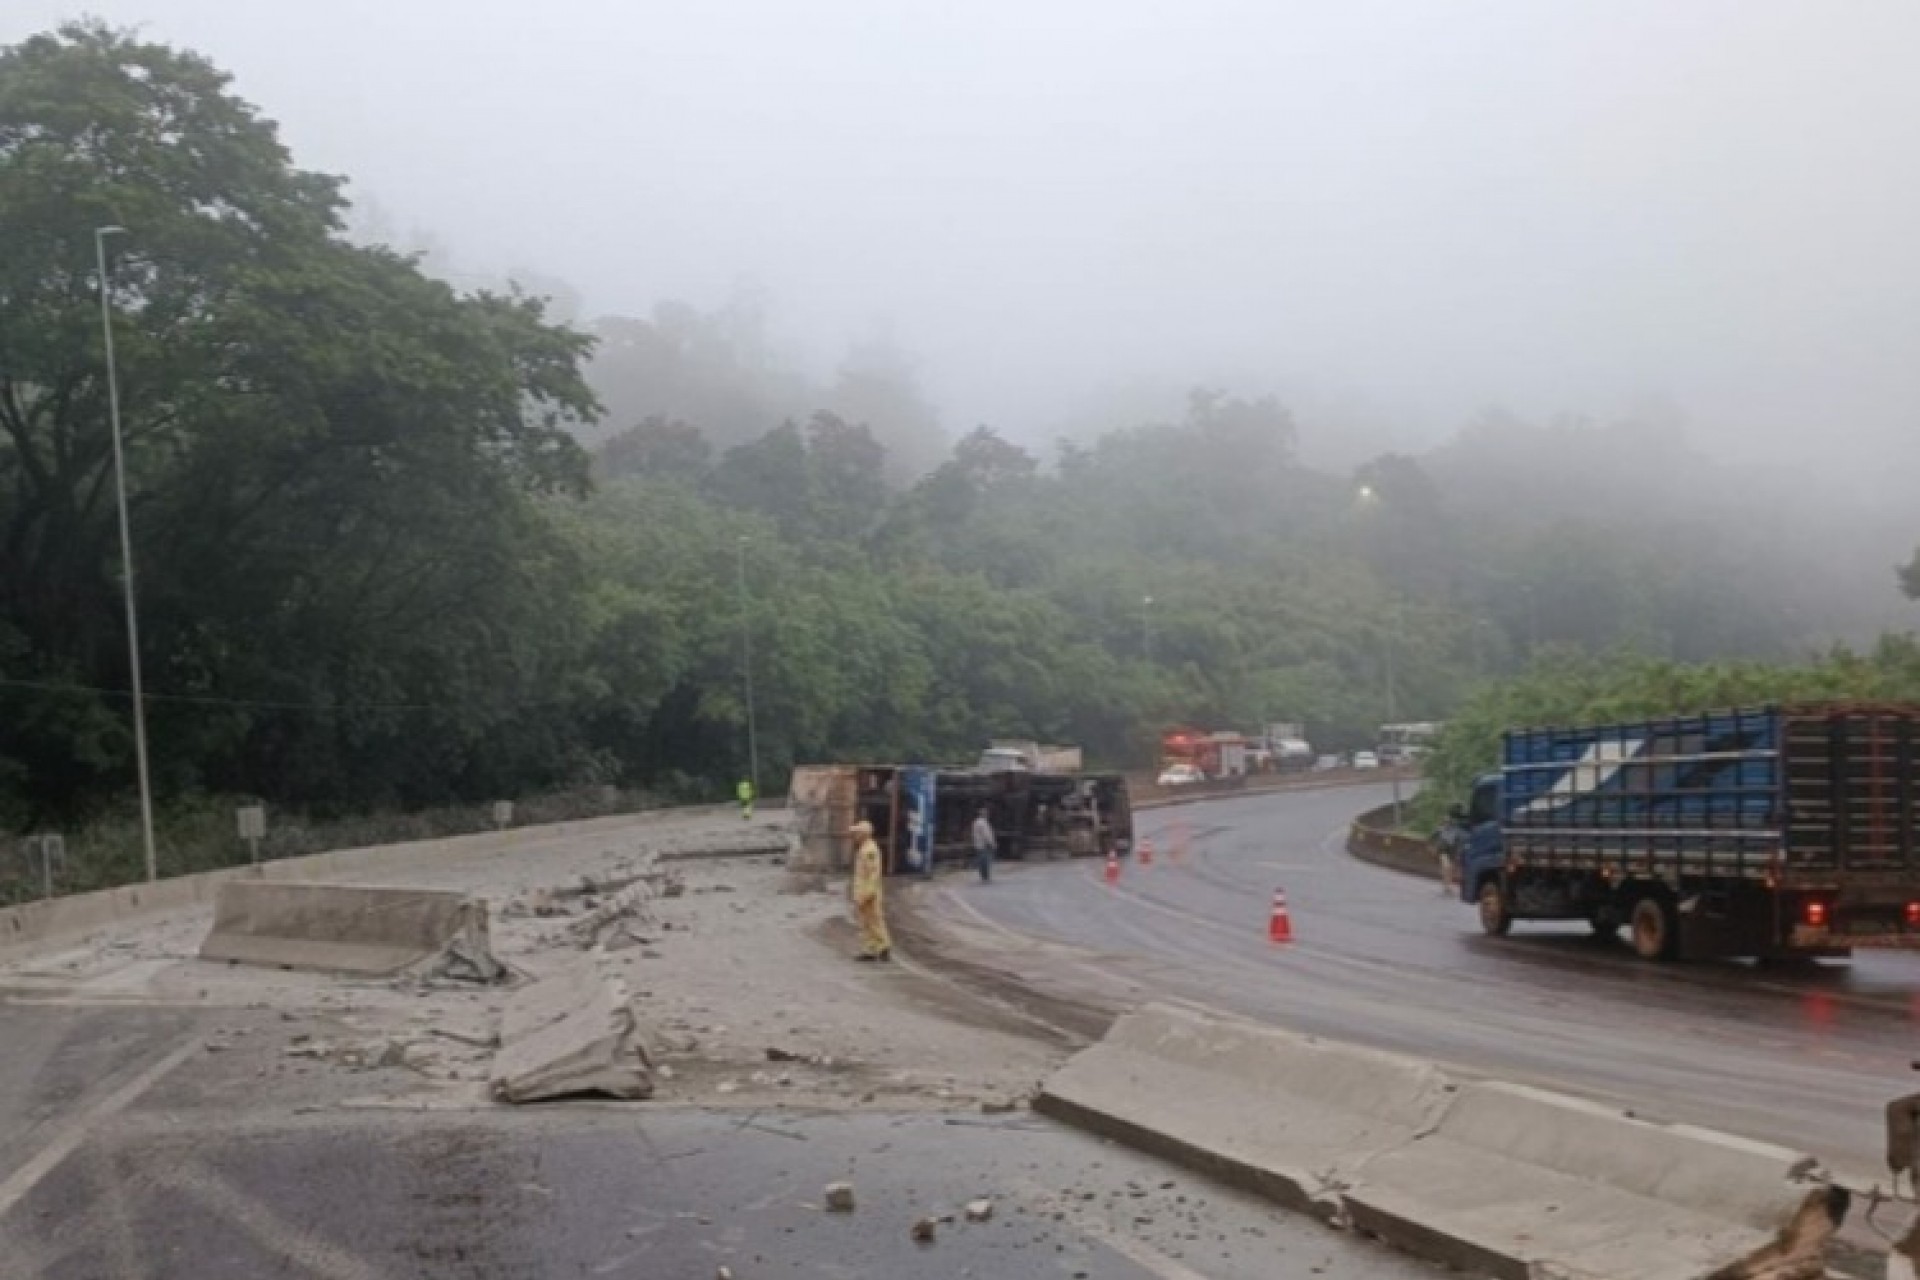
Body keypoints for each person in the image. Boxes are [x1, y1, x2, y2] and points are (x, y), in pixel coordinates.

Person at [849, 819, 891, 961]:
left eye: (856, 833)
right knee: (866, 922)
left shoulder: (869, 850)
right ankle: (871, 948)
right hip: (864, 891)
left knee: (874, 920)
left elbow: (873, 874)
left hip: (868, 892)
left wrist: (867, 893)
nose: (854, 836)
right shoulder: (864, 848)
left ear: (863, 834)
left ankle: (882, 946)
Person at [1434, 805, 1468, 897]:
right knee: (1447, 867)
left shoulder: (1457, 830)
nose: (1448, 823)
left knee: (1451, 869)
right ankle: (1447, 886)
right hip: (1443, 851)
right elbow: (1432, 838)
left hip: (1452, 852)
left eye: (1449, 822)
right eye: (1446, 822)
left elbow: (1460, 841)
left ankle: (1448, 885)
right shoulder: (1441, 830)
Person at [970, 805, 998, 883]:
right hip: (984, 844)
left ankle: (983, 876)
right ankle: (986, 877)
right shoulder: (983, 823)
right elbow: (987, 834)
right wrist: (992, 843)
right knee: (986, 861)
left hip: (978, 844)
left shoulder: (975, 822)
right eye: (986, 813)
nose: (987, 815)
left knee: (981, 861)